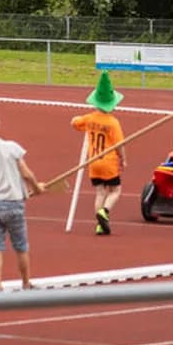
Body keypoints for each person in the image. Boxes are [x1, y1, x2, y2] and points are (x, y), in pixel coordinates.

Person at [0, 100, 45, 291]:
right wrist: (37, 188)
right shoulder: (11, 148)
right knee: (20, 245)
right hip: (13, 204)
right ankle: (26, 283)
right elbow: (26, 173)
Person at [70, 71, 126, 235]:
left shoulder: (89, 118)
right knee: (115, 190)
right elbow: (120, 144)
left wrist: (75, 119)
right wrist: (123, 160)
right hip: (109, 162)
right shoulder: (113, 123)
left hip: (93, 162)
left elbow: (75, 123)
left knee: (100, 192)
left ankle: (99, 224)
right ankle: (105, 212)